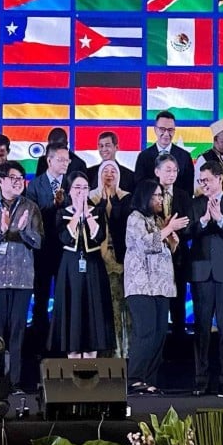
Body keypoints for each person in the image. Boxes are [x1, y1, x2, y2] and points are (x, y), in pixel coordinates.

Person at [0, 161, 43, 392]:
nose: (18, 183)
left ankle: (14, 382)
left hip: (22, 279)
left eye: (21, 179)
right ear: (1, 181)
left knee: (17, 332)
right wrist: (1, 230)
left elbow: (39, 241)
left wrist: (23, 230)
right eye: (13, 178)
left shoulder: (31, 208)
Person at [186, 160, 223, 396]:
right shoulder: (195, 204)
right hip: (201, 272)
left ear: (220, 179)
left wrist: (220, 219)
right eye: (201, 181)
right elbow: (186, 233)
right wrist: (202, 221)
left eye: (207, 180)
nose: (204, 185)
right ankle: (200, 381)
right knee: (201, 329)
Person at [124, 179, 188, 394]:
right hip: (141, 286)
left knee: (159, 333)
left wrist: (172, 239)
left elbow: (167, 249)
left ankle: (148, 379)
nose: (161, 199)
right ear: (145, 197)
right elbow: (145, 244)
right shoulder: (135, 218)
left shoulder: (157, 221)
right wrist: (168, 228)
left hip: (161, 286)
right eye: (157, 196)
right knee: (146, 332)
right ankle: (134, 378)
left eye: (161, 196)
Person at [52, 171, 114, 358]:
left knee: (92, 313)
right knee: (72, 314)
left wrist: (87, 215)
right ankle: (72, 363)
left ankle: (91, 364)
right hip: (70, 269)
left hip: (93, 267)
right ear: (69, 190)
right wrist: (77, 213)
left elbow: (100, 237)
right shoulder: (61, 213)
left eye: (85, 188)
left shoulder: (97, 212)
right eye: (77, 187)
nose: (81, 191)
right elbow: (64, 238)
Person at [24, 143, 71, 353]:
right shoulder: (35, 185)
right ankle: (39, 345)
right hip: (42, 249)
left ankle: (62, 343)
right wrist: (54, 204)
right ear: (49, 160)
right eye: (61, 159)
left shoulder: (71, 182)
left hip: (66, 248)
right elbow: (33, 216)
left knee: (64, 296)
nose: (65, 163)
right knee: (41, 296)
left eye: (67, 159)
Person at [90, 160, 131, 357]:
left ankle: (125, 352)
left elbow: (123, 225)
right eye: (105, 170)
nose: (109, 174)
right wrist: (102, 205)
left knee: (124, 307)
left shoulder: (127, 198)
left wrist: (112, 203)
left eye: (113, 170)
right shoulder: (91, 198)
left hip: (123, 260)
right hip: (99, 260)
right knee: (104, 307)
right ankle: (106, 353)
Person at [154, 153, 193, 339]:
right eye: (167, 170)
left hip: (178, 258)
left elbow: (189, 225)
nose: (172, 174)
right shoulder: (150, 193)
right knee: (159, 307)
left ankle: (179, 345)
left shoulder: (183, 195)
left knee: (178, 305)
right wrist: (166, 228)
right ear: (157, 171)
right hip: (155, 259)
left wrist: (174, 231)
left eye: (175, 170)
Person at [134, 111, 194, 194]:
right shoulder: (144, 156)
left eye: (170, 130)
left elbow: (189, 189)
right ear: (155, 129)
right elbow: (139, 186)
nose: (166, 134)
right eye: (162, 129)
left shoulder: (185, 156)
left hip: (177, 201)